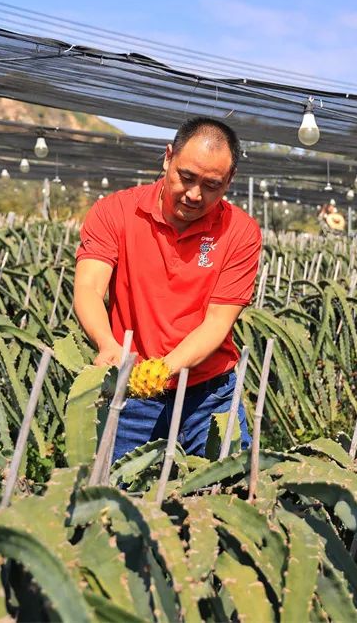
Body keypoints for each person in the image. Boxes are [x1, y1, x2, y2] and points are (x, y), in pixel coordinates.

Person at [73, 117, 262, 462]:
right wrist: (107, 343)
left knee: (227, 495)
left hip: (210, 397)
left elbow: (218, 322)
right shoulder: (115, 211)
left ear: (229, 181)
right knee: (116, 500)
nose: (194, 194)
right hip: (132, 394)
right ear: (167, 157)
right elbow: (88, 285)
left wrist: (165, 368)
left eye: (211, 185)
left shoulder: (241, 232)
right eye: (185, 177)